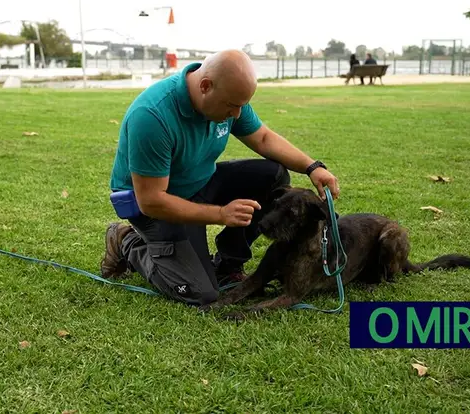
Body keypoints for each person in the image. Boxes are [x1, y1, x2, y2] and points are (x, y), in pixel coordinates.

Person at [101, 49, 340, 306]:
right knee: (200, 292)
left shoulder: (226, 97)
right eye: (232, 106)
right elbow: (151, 200)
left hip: (200, 182)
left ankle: (229, 263)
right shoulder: (152, 116)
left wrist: (311, 166)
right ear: (205, 86)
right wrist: (220, 214)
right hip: (154, 207)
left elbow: (263, 138)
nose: (237, 114)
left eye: (242, 106)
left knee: (273, 176)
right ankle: (126, 241)